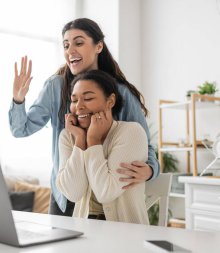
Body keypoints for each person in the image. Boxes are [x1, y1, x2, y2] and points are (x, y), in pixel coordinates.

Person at [9, 18, 159, 216]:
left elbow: (143, 143)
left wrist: (150, 170)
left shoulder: (120, 93)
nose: (70, 50)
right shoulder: (55, 87)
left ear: (98, 46)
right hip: (67, 196)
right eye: (66, 45)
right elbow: (21, 129)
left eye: (78, 43)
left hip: (105, 201)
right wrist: (18, 99)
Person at [56, 70, 149, 224]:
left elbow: (105, 192)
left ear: (110, 101)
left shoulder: (131, 132)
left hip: (126, 235)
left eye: (88, 98)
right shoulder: (69, 136)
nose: (78, 107)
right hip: (84, 231)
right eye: (74, 100)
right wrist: (80, 140)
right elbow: (73, 193)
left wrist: (93, 139)